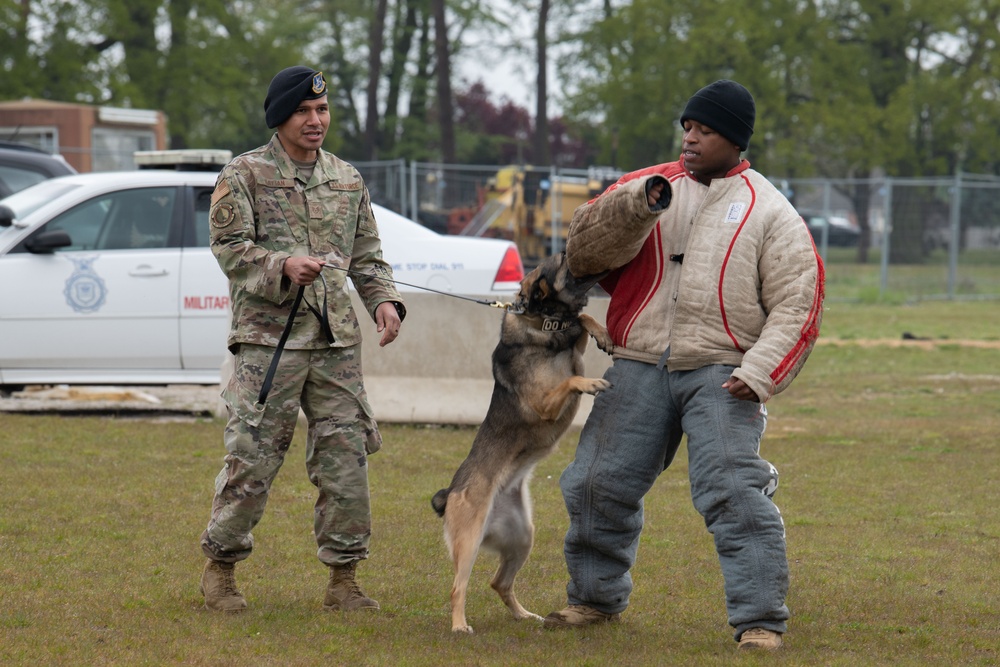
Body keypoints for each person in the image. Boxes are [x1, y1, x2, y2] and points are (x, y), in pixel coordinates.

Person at [542, 80, 825, 650]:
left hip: (724, 373)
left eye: (706, 130)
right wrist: (635, 207)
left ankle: (760, 619)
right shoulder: (644, 188)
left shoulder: (770, 210)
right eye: (687, 128)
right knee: (596, 483)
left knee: (732, 491)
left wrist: (759, 372)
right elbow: (584, 255)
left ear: (736, 140)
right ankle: (593, 599)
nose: (691, 139)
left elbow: (800, 301)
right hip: (638, 360)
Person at [198, 65, 405, 613]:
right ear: (280, 117)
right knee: (254, 458)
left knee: (346, 460)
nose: (316, 121)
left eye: (322, 110)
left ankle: (344, 579)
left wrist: (382, 300)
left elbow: (366, 254)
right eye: (303, 112)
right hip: (270, 344)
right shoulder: (244, 174)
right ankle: (220, 568)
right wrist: (282, 264)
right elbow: (229, 248)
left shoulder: (347, 177)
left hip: (335, 342)